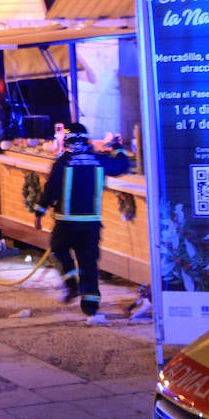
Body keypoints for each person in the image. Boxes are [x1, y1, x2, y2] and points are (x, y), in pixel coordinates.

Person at [33, 122, 130, 318]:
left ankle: (72, 284)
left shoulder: (62, 163)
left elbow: (51, 190)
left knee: (59, 250)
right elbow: (122, 166)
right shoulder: (99, 160)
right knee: (89, 262)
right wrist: (118, 147)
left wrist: (39, 212)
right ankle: (90, 306)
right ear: (86, 140)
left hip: (66, 222)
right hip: (91, 224)